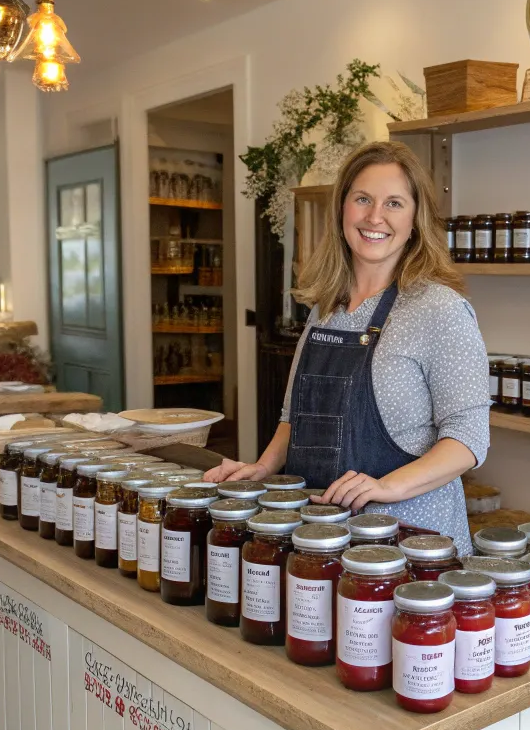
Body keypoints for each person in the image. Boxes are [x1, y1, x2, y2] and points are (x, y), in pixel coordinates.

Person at [206, 140, 489, 556]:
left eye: (394, 203)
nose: (375, 216)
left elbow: (468, 440)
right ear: (341, 211)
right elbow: (293, 419)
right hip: (322, 537)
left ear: (416, 220)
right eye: (362, 199)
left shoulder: (439, 309)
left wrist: (386, 487)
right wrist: (262, 468)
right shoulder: (327, 308)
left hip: (411, 543)